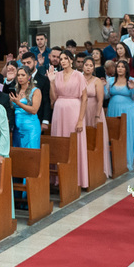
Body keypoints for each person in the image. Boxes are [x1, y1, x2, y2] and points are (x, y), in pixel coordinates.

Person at [50, 51, 89, 188]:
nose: (63, 61)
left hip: (74, 111)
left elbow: (84, 98)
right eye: (61, 59)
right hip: (59, 111)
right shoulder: (57, 75)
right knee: (60, 142)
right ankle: (60, 179)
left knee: (74, 143)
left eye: (65, 58)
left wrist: (80, 120)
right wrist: (51, 81)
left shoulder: (79, 75)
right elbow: (53, 98)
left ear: (71, 60)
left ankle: (77, 178)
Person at [106, 59, 134, 172]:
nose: (120, 68)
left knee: (127, 134)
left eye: (122, 66)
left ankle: (126, 162)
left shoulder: (131, 80)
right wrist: (103, 86)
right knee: (113, 135)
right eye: (118, 66)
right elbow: (106, 96)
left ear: (126, 69)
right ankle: (113, 163)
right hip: (113, 109)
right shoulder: (110, 80)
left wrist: (132, 89)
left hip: (128, 111)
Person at [81, 57, 111, 175]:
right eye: (86, 65)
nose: (88, 67)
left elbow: (100, 100)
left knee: (96, 139)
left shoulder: (97, 81)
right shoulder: (79, 78)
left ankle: (99, 169)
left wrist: (97, 116)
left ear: (93, 68)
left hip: (94, 111)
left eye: (90, 65)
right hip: (82, 111)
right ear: (83, 66)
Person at [9, 68, 42, 149]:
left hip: (31, 127)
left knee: (31, 152)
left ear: (29, 77)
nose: (20, 77)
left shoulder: (35, 91)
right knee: (18, 154)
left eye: (23, 75)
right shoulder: (16, 90)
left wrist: (19, 103)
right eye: (18, 75)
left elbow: (34, 110)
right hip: (17, 128)